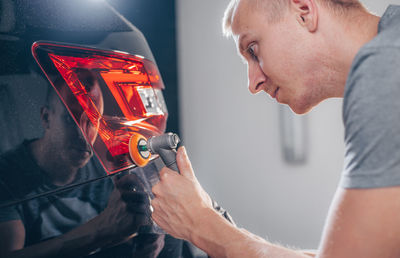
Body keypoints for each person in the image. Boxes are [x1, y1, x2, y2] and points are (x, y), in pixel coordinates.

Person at [151, 0, 400, 257]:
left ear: (304, 11)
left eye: (254, 51)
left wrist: (200, 224)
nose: (253, 83)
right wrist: (211, 220)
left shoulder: (385, 68)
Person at [0, 69, 164, 257]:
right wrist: (101, 230)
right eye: (70, 119)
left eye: (92, 122)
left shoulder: (104, 168)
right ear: (46, 118)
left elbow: (119, 232)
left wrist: (141, 240)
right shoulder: (7, 175)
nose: (83, 135)